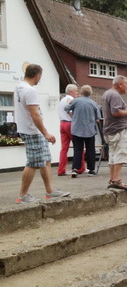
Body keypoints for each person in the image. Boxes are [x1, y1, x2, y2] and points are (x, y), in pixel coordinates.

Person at [14, 64, 70, 203]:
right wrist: (45, 133)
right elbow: (35, 114)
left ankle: (50, 191)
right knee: (32, 163)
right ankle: (23, 195)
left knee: (46, 160)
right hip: (32, 131)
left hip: (28, 129)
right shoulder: (30, 90)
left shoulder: (19, 87)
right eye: (41, 77)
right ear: (37, 75)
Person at [102, 75, 127, 190]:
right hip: (118, 129)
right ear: (120, 84)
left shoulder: (107, 94)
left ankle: (112, 179)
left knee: (113, 155)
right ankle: (117, 180)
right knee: (121, 153)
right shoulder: (115, 95)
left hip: (109, 129)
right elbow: (116, 112)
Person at [65, 85, 101, 177]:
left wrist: (73, 116)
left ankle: (75, 169)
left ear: (81, 92)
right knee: (90, 150)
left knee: (77, 149)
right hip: (89, 130)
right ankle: (91, 169)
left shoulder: (75, 101)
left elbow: (66, 108)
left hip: (77, 129)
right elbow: (98, 118)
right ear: (90, 93)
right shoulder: (93, 103)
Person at [57, 84, 81, 176]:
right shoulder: (71, 100)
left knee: (64, 148)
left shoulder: (61, 100)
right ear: (71, 91)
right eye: (76, 91)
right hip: (70, 124)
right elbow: (71, 113)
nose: (77, 93)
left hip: (62, 123)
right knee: (78, 146)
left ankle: (61, 169)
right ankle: (80, 167)